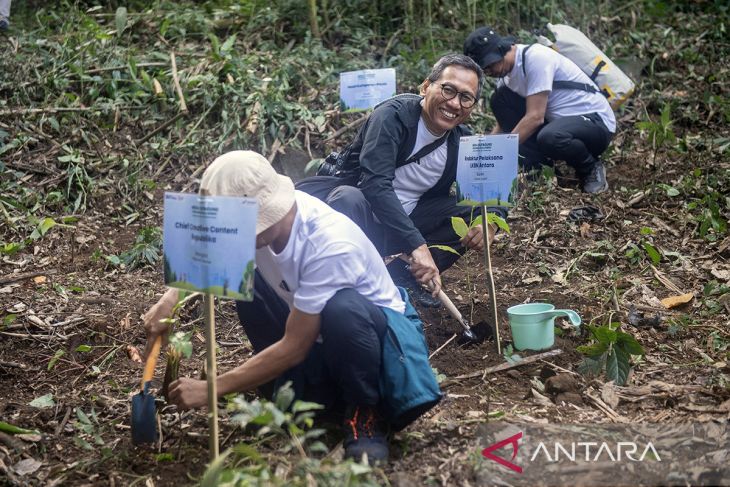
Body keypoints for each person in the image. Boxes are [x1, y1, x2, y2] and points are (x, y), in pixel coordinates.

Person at [142, 151, 441, 464]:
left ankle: (365, 413)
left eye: (240, 228)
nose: (236, 237)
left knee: (343, 310)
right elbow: (209, 251)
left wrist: (212, 388)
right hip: (320, 340)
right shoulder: (263, 229)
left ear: (267, 212)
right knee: (251, 288)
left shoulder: (329, 245)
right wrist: (168, 302)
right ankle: (304, 395)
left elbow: (294, 346)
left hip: (378, 350)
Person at [297, 53, 507, 308]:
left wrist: (490, 222)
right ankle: (346, 284)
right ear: (426, 86)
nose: (454, 104)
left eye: (466, 97)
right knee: (347, 198)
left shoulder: (462, 140)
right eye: (448, 90)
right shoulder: (392, 117)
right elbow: (375, 184)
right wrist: (417, 246)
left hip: (406, 220)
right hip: (359, 217)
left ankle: (403, 278)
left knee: (473, 211)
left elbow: (492, 194)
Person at [464, 26, 615, 194]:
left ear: (501, 50)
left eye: (489, 65)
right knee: (500, 100)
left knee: (549, 137)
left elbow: (535, 117)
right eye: (484, 69)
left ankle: (590, 167)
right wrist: (485, 152)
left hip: (597, 123)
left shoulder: (536, 58)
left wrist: (502, 152)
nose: (489, 72)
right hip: (562, 126)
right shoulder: (506, 79)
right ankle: (543, 168)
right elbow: (502, 127)